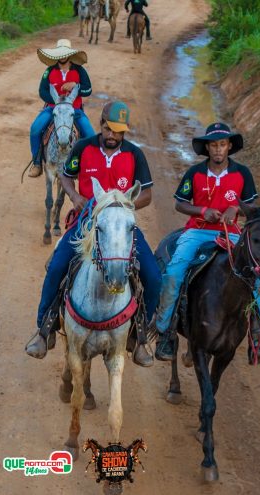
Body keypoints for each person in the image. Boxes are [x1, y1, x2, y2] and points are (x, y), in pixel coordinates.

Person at [25, 101, 160, 366]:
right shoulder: (83, 147)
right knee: (56, 267)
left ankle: (140, 336)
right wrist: (74, 196)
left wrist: (125, 205)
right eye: (109, 129)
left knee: (153, 275)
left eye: (118, 132)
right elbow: (66, 176)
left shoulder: (135, 155)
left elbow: (147, 194)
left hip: (120, 224)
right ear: (100, 125)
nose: (113, 136)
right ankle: (44, 329)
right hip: (86, 221)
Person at [153, 123, 260, 363]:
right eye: (214, 145)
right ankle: (164, 330)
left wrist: (235, 208)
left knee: (259, 279)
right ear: (207, 147)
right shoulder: (195, 173)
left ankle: (258, 339)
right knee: (175, 272)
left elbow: (252, 208)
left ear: (229, 147)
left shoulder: (242, 174)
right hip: (197, 231)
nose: (218, 150)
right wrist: (202, 210)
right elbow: (180, 203)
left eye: (222, 145)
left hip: (232, 234)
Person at [28, 39, 95, 178]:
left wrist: (75, 85)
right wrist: (57, 102)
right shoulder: (49, 70)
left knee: (90, 135)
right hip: (53, 109)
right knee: (35, 129)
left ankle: (88, 167)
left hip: (74, 110)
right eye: (60, 53)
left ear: (69, 54)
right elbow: (42, 91)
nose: (63, 56)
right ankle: (37, 163)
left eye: (65, 53)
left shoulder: (79, 70)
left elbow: (88, 89)